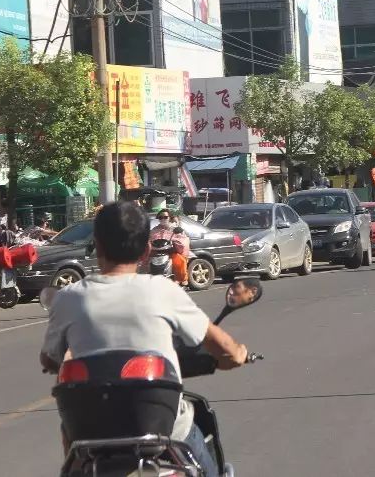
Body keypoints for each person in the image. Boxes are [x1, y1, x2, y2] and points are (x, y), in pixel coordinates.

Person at [40, 202, 249, 477]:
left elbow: (49, 357)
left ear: (98, 247)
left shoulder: (69, 297)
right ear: (146, 250)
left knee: (69, 435)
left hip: (90, 431)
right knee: (196, 439)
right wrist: (239, 354)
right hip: (162, 428)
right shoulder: (162, 290)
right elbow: (224, 349)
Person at [150, 210, 190, 287]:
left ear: (170, 218)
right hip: (156, 252)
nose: (163, 219)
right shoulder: (155, 230)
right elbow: (149, 239)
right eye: (160, 217)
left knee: (179, 260)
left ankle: (181, 278)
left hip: (171, 251)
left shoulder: (175, 229)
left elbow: (183, 241)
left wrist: (176, 242)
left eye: (165, 217)